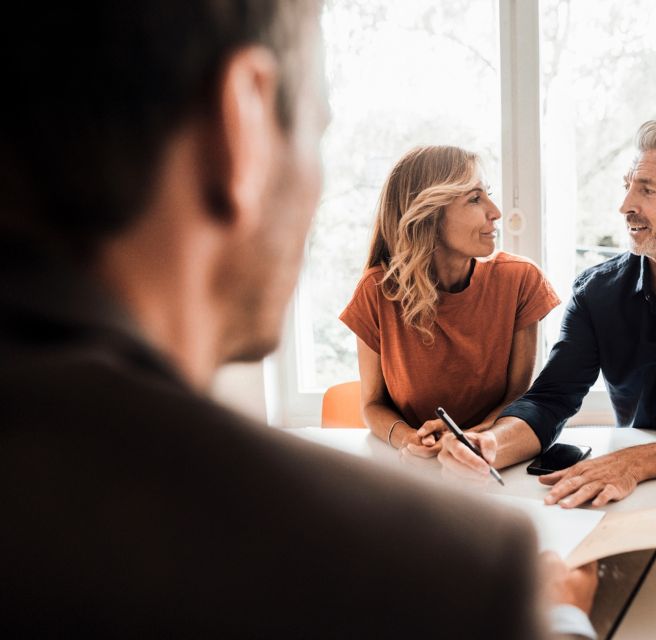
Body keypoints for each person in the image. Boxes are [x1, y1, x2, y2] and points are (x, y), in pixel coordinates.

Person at [0, 2, 596, 636]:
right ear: (243, 121)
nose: (495, 212)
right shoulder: (449, 570)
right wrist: (559, 618)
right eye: (316, 130)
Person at [438, 120, 656, 509]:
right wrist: (490, 445)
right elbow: (551, 398)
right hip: (633, 493)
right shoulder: (596, 291)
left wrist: (635, 463)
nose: (625, 206)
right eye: (628, 186)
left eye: (648, 190)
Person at [340, 146, 560, 456]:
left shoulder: (520, 281)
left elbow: (517, 398)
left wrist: (470, 441)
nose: (495, 211)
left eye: (488, 194)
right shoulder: (376, 291)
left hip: (493, 455)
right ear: (428, 216)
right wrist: (410, 440)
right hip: (413, 466)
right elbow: (373, 404)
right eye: (474, 199)